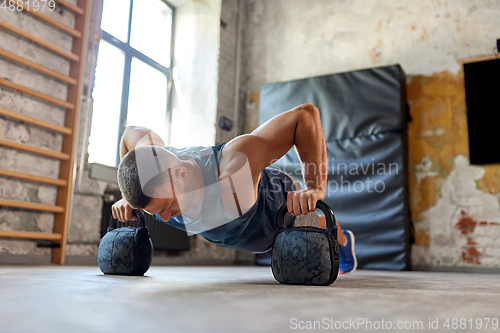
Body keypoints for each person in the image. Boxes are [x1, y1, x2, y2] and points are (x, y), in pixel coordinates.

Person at [112, 103, 357, 274]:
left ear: (181, 174)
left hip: (277, 208)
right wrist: (128, 198)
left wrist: (314, 187)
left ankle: (344, 240)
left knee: (318, 224)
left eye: (168, 206)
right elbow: (129, 133)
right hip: (241, 224)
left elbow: (304, 115)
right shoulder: (157, 174)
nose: (164, 217)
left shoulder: (234, 164)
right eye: (156, 211)